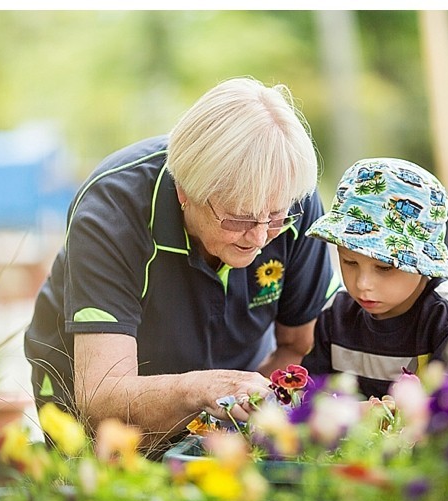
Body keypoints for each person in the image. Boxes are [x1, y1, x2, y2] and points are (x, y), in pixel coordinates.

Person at [24, 76, 340, 448]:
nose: (258, 238)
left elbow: (300, 345)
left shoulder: (292, 199)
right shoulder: (112, 210)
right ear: (185, 192)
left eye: (274, 218)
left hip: (225, 390)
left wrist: (249, 411)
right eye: (238, 218)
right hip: (96, 412)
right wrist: (207, 391)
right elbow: (101, 397)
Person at [301, 157, 448, 399]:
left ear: (421, 263)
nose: (362, 284)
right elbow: (311, 400)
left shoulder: (446, 317)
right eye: (349, 262)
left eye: (384, 268)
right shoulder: (336, 313)